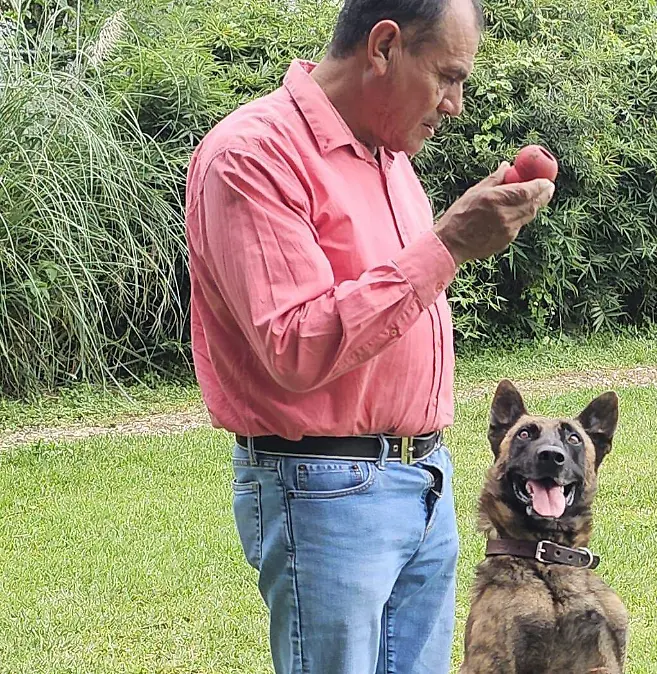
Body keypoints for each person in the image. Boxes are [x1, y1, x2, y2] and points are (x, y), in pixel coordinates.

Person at [182, 0, 555, 670]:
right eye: (448, 76)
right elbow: (296, 344)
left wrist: (454, 237)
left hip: (423, 478)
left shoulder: (389, 159)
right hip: (326, 483)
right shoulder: (252, 154)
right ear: (383, 46)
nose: (456, 104)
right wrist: (447, 244)